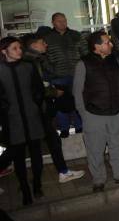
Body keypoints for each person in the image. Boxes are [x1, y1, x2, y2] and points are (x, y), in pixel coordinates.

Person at [73, 31, 119, 192]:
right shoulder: (83, 63)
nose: (111, 44)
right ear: (97, 46)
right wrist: (84, 114)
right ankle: (98, 180)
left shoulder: (114, 60)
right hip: (94, 114)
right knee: (95, 149)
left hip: (116, 112)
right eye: (107, 42)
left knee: (117, 146)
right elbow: (77, 92)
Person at [21, 34, 85, 183]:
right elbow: (35, 87)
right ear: (34, 45)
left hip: (39, 109)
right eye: (43, 42)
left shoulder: (36, 61)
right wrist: (53, 91)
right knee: (36, 147)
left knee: (50, 142)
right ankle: (42, 182)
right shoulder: (30, 63)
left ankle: (60, 173)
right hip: (36, 111)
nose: (46, 45)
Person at [0, 37, 45, 205]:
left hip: (32, 117)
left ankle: (38, 185)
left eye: (19, 47)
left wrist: (35, 105)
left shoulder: (28, 67)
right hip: (13, 121)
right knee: (18, 158)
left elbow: (39, 90)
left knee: (36, 156)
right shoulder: (0, 70)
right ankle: (25, 189)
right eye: (14, 48)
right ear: (4, 51)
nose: (19, 50)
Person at [43, 13, 86, 138]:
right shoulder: (47, 38)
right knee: (61, 104)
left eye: (64, 20)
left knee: (77, 101)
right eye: (59, 21)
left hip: (77, 74)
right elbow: (43, 57)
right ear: (53, 23)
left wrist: (82, 69)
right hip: (58, 76)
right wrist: (53, 70)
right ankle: (64, 129)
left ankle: (79, 127)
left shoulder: (76, 35)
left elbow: (85, 53)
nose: (63, 23)